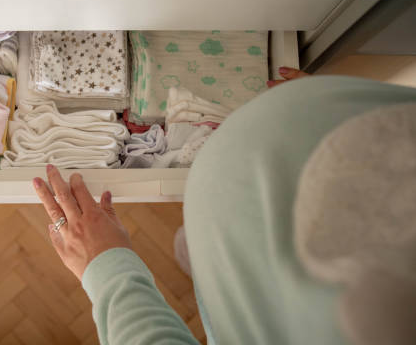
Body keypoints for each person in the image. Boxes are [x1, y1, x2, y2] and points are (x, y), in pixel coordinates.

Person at [31, 67, 416, 345]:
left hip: (255, 253)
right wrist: (321, 105)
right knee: (199, 252)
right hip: (328, 170)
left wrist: (108, 270)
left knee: (211, 262)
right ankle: (200, 258)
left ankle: (204, 260)